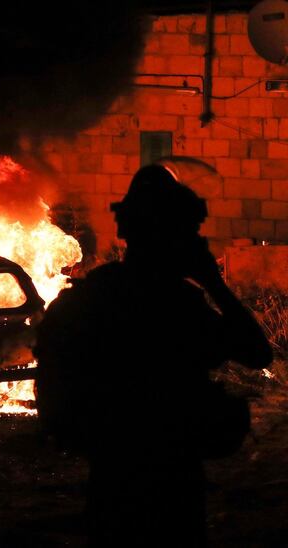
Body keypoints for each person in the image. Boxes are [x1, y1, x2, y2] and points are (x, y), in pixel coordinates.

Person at [34, 164, 272, 547]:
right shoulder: (179, 307)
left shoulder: (91, 296)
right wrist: (214, 283)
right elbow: (257, 354)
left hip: (111, 482)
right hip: (172, 482)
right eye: (190, 232)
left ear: (125, 230)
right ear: (177, 235)